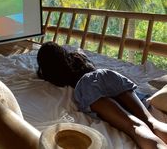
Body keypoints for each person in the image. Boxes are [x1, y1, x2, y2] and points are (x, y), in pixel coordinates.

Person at [37, 42, 167, 149]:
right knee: (150, 121)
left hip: (87, 84)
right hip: (106, 74)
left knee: (134, 126)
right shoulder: (77, 58)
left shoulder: (59, 74)